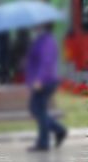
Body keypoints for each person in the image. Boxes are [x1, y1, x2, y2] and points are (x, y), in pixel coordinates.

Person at [25, 23, 67, 152]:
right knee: (37, 109)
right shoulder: (40, 40)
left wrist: (39, 80)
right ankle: (58, 131)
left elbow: (46, 63)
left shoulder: (47, 41)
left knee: (38, 110)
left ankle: (44, 142)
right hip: (40, 81)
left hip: (45, 81)